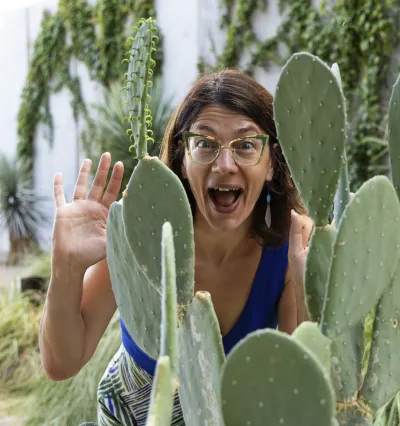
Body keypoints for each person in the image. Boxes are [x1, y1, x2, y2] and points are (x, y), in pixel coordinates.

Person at [39, 69, 316, 425]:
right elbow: (62, 363)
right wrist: (66, 267)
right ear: (182, 160)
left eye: (246, 145)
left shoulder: (289, 253)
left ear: (272, 165)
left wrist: (311, 285)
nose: (225, 164)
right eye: (205, 143)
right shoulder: (144, 234)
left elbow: (297, 395)